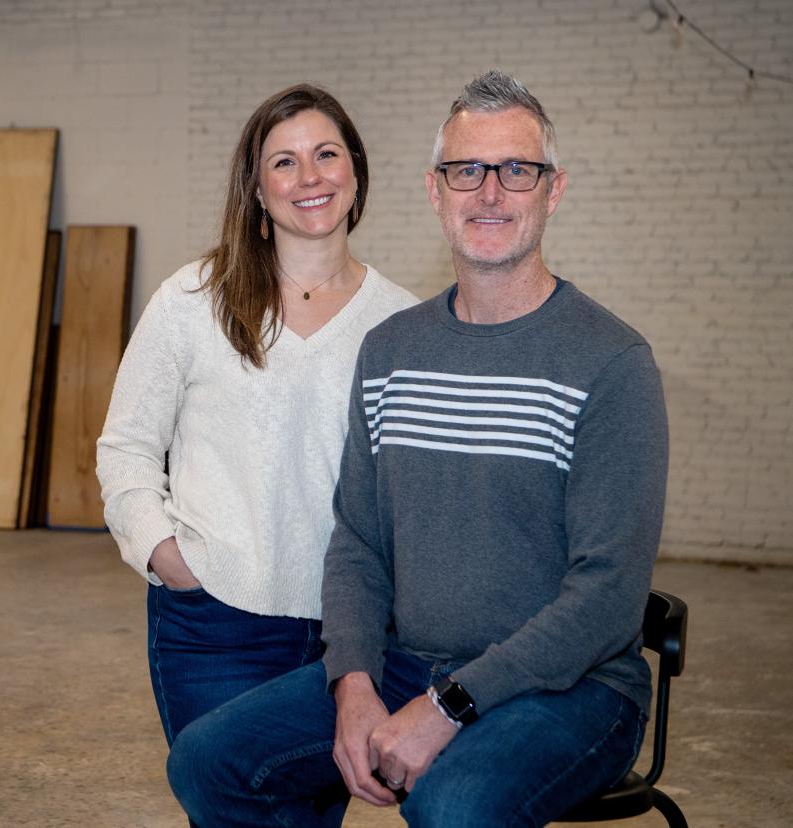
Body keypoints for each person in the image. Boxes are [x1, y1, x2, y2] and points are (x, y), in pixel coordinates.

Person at [165, 70, 670, 827]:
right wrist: (355, 683)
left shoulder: (610, 362)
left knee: (454, 806)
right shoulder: (392, 350)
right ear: (435, 191)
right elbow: (360, 541)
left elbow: (606, 598)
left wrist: (446, 707)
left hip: (575, 687)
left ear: (553, 191)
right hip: (408, 663)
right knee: (209, 760)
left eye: (516, 170)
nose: (490, 193)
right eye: (466, 170)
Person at [95, 84, 418, 760]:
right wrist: (164, 555)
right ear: (258, 191)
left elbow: (408, 491)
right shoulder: (192, 301)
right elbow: (126, 446)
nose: (310, 177)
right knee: (222, 802)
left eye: (326, 154)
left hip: (347, 642)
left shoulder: (401, 324)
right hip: (211, 624)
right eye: (284, 162)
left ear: (355, 173)